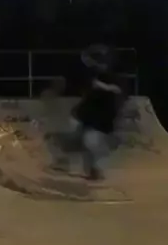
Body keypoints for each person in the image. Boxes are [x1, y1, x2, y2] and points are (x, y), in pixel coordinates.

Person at [50, 44, 124, 180]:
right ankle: (72, 163)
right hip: (84, 114)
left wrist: (103, 86)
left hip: (97, 117)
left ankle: (94, 169)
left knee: (90, 141)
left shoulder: (110, 77)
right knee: (80, 138)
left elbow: (117, 89)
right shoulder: (91, 74)